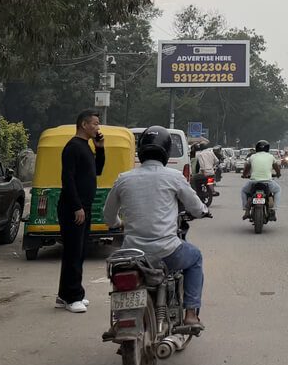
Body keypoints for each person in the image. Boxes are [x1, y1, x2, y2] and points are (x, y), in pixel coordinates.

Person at [104, 126, 208, 328]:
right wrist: (203, 211)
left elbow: (108, 216)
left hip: (132, 253)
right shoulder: (174, 176)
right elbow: (195, 207)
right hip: (167, 251)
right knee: (195, 257)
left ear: (140, 150)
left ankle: (120, 319)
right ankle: (190, 314)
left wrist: (118, 223)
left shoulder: (123, 178)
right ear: (166, 151)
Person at [56, 109, 105, 313]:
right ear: (84, 125)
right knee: (73, 252)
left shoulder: (86, 146)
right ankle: (72, 296)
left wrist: (100, 148)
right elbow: (67, 179)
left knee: (80, 251)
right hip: (72, 207)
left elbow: (98, 170)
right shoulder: (72, 147)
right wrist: (76, 206)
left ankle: (65, 294)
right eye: (94, 124)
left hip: (84, 206)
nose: (97, 127)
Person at [241, 140, 281, 220]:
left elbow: (247, 168)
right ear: (267, 148)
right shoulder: (270, 156)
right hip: (268, 182)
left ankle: (246, 209)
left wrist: (244, 175)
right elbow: (276, 168)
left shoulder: (252, 157)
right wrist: (278, 174)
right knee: (278, 190)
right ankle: (273, 210)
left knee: (243, 191)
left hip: (253, 182)